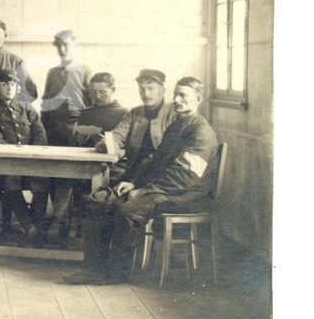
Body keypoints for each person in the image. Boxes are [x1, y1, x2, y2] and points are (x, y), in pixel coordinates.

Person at [63, 77, 218, 285]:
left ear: (198, 99)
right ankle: (94, 269)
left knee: (128, 210)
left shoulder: (201, 132)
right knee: (100, 200)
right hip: (162, 188)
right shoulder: (178, 124)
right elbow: (154, 162)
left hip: (183, 193)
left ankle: (118, 273)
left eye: (184, 96)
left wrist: (145, 191)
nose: (178, 100)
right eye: (176, 95)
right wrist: (136, 184)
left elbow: (184, 175)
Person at [0, 69, 49, 245]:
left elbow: (40, 135)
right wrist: (14, 155)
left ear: (17, 88)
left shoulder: (27, 108)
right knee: (10, 182)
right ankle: (30, 228)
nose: (9, 88)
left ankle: (33, 228)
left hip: (31, 162)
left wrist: (32, 156)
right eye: (4, 84)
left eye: (12, 84)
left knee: (43, 182)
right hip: (5, 163)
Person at [38, 29, 92, 241]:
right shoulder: (52, 72)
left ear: (75, 47)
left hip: (75, 129)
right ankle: (58, 219)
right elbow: (45, 100)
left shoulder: (85, 70)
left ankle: (64, 220)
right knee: (52, 174)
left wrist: (82, 129)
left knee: (70, 177)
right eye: (59, 46)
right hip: (53, 128)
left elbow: (91, 103)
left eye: (66, 45)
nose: (62, 49)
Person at [98, 69, 179, 185]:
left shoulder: (174, 113)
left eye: (151, 88)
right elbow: (117, 135)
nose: (146, 94)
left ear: (163, 90)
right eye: (142, 89)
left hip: (160, 176)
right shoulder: (134, 113)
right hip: (133, 173)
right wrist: (107, 143)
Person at [71, 72, 129, 146]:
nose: (97, 96)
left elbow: (129, 144)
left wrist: (106, 141)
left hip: (113, 156)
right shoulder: (85, 113)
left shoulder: (124, 113)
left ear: (113, 90)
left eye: (102, 92)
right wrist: (79, 139)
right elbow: (76, 144)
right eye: (93, 91)